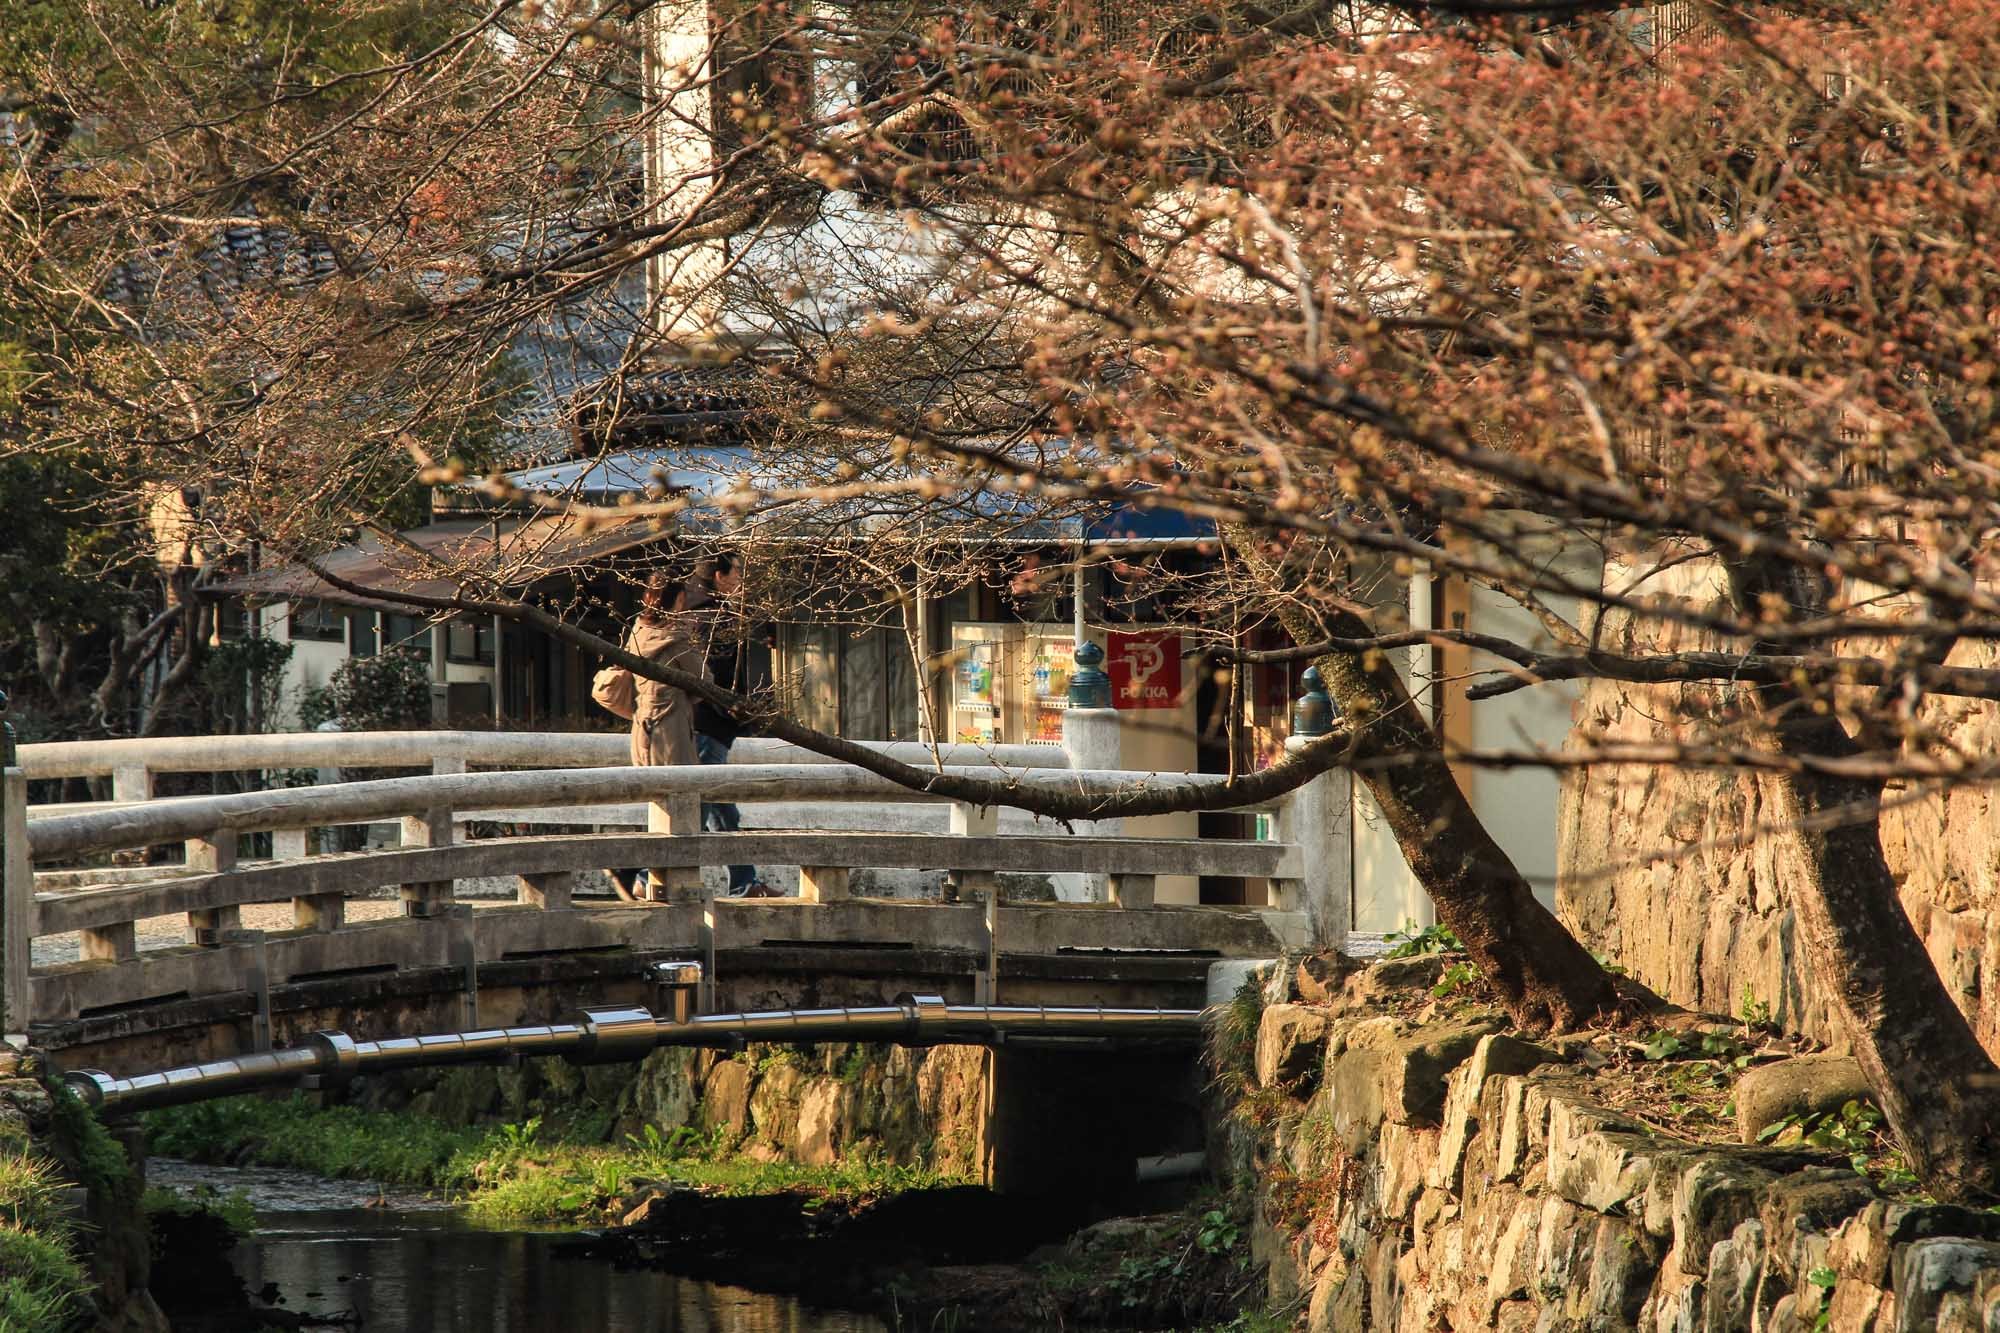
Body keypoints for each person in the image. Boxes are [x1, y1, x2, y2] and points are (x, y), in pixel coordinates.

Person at [610, 570, 707, 898]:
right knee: (683, 806)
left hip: (642, 728)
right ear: (676, 598)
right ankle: (642, 875)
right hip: (672, 729)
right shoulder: (677, 639)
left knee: (658, 806)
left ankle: (642, 875)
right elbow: (703, 681)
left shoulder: (638, 631)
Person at [688, 555, 768, 896]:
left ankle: (744, 881)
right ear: (720, 576)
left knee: (722, 812)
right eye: (737, 572)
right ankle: (642, 872)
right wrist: (733, 709)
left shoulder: (703, 612)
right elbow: (713, 674)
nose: (741, 579)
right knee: (696, 811)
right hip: (710, 725)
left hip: (711, 724)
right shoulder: (712, 617)